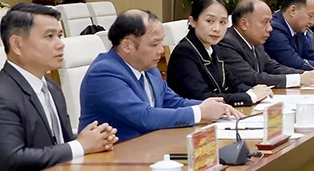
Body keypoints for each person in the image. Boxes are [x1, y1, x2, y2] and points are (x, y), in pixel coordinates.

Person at [0, 4, 117, 171]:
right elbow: (13, 161)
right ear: (17, 44)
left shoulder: (51, 87)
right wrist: (80, 146)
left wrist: (93, 139)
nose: (60, 44)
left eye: (60, 35)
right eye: (49, 37)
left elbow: (57, 144)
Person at [80, 9, 243, 142]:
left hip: (148, 148)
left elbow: (172, 101)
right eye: (154, 44)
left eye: (162, 42)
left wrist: (214, 107)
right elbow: (144, 117)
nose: (161, 50)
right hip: (112, 158)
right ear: (127, 46)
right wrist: (199, 112)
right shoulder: (104, 73)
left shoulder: (149, 68)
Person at [167, 0, 273, 107]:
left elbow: (232, 82)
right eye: (210, 21)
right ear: (193, 21)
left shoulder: (214, 47)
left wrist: (254, 91)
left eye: (222, 22)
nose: (217, 29)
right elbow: (202, 97)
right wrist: (251, 96)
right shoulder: (185, 52)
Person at [218, 0, 314, 89]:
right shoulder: (227, 43)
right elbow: (251, 78)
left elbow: (274, 68)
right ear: (244, 24)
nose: (270, 29)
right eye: (265, 22)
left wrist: (308, 74)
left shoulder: (256, 42)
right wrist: (299, 79)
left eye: (270, 22)